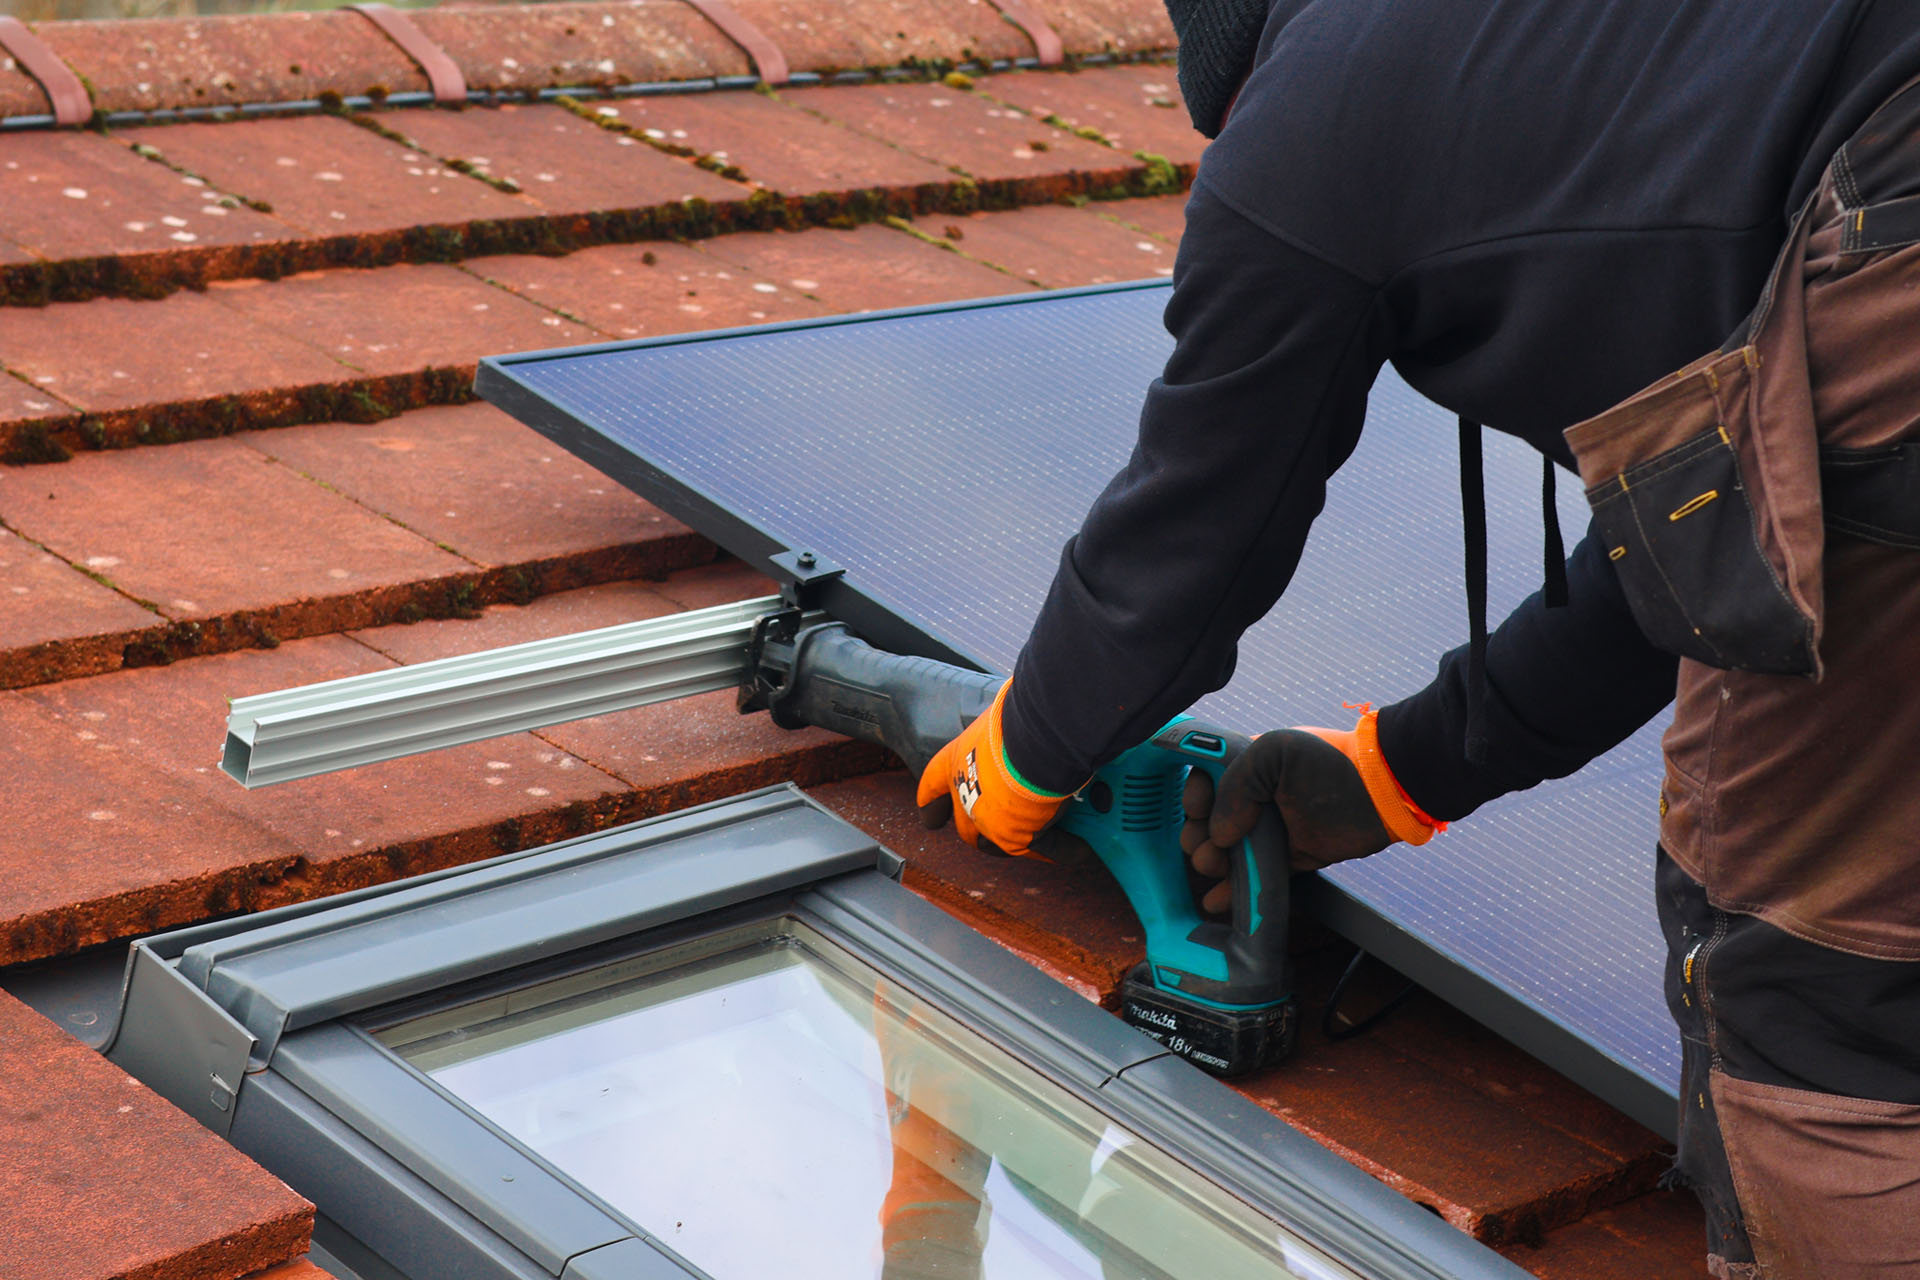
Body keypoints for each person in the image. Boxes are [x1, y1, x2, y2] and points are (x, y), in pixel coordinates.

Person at [913, 2, 1920, 1276]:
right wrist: (1404, 769)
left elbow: (1190, 532)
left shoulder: (1316, 114)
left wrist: (1035, 743)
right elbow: (1723, 554)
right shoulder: (1608, 63)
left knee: (1809, 995)